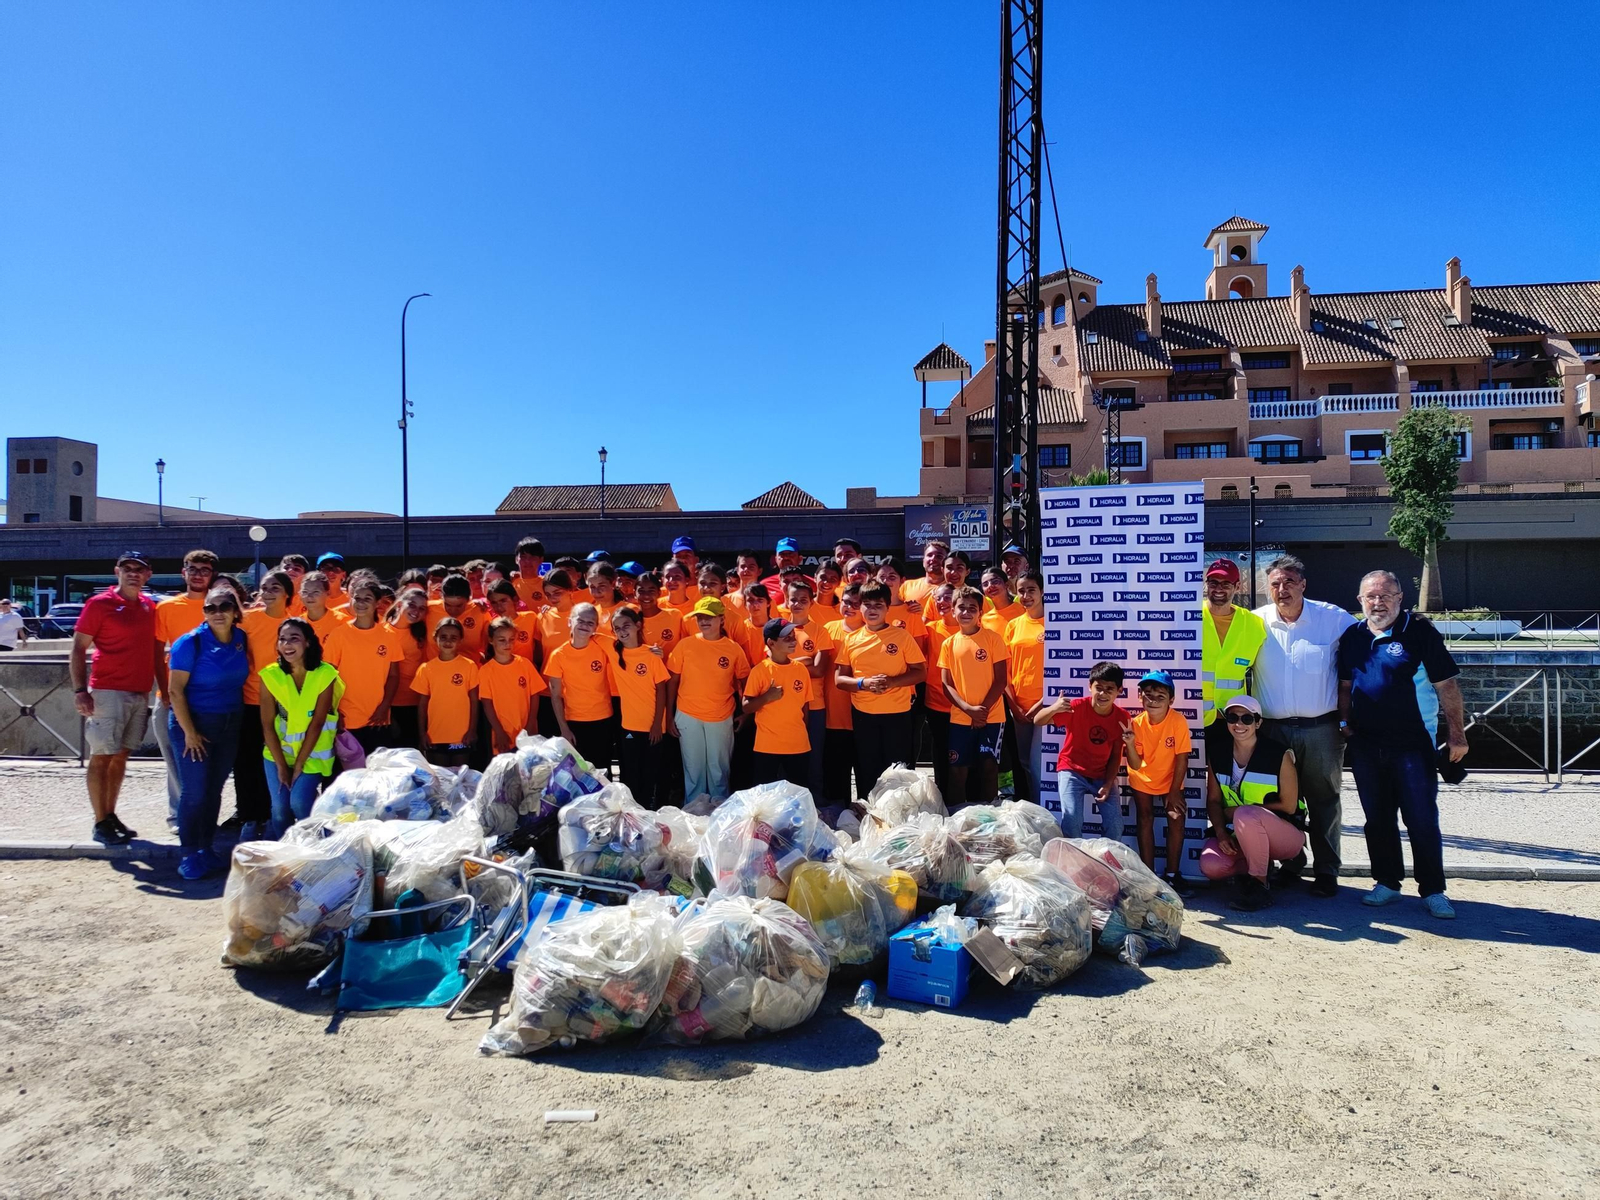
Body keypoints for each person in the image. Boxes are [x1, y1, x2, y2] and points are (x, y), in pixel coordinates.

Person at [1338, 570, 1467, 919]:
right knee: (1377, 819)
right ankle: (1387, 882)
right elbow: (1345, 686)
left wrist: (1457, 735)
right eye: (1370, 597)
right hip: (1366, 745)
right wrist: (1345, 725)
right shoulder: (1352, 636)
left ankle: (1433, 890)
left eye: (1385, 596)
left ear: (1399, 598)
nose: (1377, 603)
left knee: (1421, 819)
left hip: (1413, 745)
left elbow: (1447, 686)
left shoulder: (1420, 632)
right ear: (1360, 600)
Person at [1251, 554, 1357, 897]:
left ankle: (1326, 870)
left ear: (1303, 585)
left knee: (1324, 800)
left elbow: (1367, 646)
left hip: (1322, 730)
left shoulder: (1333, 619)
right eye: (1275, 584)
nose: (1282, 590)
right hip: (1271, 730)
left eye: (1289, 582)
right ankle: (1290, 864)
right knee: (1279, 801)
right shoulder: (1256, 622)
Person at [71, 551, 161, 847]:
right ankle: (100, 821)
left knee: (121, 755)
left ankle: (110, 815)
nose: (133, 573)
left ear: (147, 575)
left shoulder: (149, 606)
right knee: (102, 755)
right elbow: (78, 648)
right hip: (108, 691)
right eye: (127, 568)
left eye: (139, 569)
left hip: (139, 691)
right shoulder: (99, 604)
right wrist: (80, 690)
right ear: (117, 572)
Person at [165, 586, 250, 878]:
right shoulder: (190, 643)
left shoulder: (241, 638)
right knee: (195, 792)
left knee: (214, 790)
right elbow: (175, 692)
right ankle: (188, 854)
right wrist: (190, 732)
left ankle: (206, 848)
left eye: (224, 606)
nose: (217, 613)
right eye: (210, 608)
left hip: (230, 723)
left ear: (235, 611)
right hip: (194, 725)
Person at [1198, 695, 1305, 912]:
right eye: (1232, 718)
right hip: (1239, 833)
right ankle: (1259, 866)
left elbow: (1289, 806)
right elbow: (1214, 801)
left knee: (1246, 815)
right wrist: (1221, 833)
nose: (1239, 724)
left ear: (1258, 723)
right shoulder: (1217, 753)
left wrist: (1239, 811)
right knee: (1211, 865)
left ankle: (1259, 885)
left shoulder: (1279, 754)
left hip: (1285, 835)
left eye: (1247, 718)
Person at [834, 582, 926, 801]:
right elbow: (839, 679)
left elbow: (920, 672)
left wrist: (892, 682)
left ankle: (898, 811)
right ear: (860, 607)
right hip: (864, 714)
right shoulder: (851, 639)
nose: (872, 609)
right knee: (867, 768)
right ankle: (870, 812)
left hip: (898, 714)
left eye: (878, 605)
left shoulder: (902, 636)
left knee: (897, 770)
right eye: (867, 604)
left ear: (887, 608)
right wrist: (863, 683)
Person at [152, 548, 219, 833]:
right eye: (193, 569)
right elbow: (157, 652)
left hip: (212, 699)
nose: (198, 575)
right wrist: (164, 692)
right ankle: (178, 816)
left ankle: (206, 816)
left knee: (211, 761)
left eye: (205, 570)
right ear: (184, 573)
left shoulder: (222, 606)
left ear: (212, 575)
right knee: (175, 759)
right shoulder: (166, 608)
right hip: (173, 695)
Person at [259, 618, 344, 835]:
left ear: (307, 642)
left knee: (298, 802)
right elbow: (267, 725)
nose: (287, 644)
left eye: (294, 638)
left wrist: (298, 766)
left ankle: (317, 844)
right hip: (279, 752)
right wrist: (281, 766)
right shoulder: (270, 675)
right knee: (280, 810)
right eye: (282, 639)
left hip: (313, 752)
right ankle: (286, 850)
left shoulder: (325, 674)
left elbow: (317, 723)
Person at [666, 597, 751, 803]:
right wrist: (669, 716)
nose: (704, 621)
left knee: (719, 769)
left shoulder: (733, 648)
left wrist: (745, 714)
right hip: (687, 714)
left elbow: (745, 682)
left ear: (722, 619)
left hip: (721, 715)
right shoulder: (685, 645)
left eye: (709, 617)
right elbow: (672, 681)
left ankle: (719, 808)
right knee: (693, 768)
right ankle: (695, 810)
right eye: (700, 617)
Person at [1035, 661, 1131, 838]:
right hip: (1071, 771)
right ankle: (1072, 855)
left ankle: (1107, 856)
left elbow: (1116, 755)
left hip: (1102, 775)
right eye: (1098, 688)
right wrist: (1054, 708)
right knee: (1072, 820)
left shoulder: (1122, 717)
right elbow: (1038, 721)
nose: (1103, 694)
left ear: (1119, 691)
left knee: (1116, 825)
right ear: (1090, 687)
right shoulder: (1076, 707)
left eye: (1109, 689)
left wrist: (1108, 784)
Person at [1124, 670, 1195, 896]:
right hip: (1142, 777)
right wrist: (1130, 744)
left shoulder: (1178, 720)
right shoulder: (1136, 723)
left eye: (1160, 696)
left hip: (1170, 779)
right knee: (1145, 818)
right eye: (1148, 695)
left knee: (1176, 817)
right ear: (1140, 697)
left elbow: (1182, 758)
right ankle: (1149, 875)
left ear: (1171, 700)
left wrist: (1174, 792)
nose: (1153, 700)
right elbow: (1136, 765)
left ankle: (1172, 875)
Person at [939, 586, 1010, 808]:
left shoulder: (993, 639)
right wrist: (968, 710)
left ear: (980, 612)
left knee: (989, 768)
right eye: (961, 607)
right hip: (961, 718)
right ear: (953, 610)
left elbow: (1001, 680)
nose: (966, 612)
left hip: (992, 717)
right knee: (957, 770)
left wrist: (982, 711)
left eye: (972, 608)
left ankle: (990, 818)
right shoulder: (949, 644)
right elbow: (946, 684)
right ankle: (956, 817)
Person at [323, 574, 403, 756]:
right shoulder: (339, 634)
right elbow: (327, 676)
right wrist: (334, 711)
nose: (360, 603)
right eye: (357, 598)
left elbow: (393, 676)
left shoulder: (389, 636)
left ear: (377, 603)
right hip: (347, 719)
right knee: (350, 771)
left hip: (378, 718)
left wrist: (384, 707)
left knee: (377, 769)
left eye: (367, 598)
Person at [609, 606, 671, 805]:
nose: (622, 631)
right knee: (631, 774)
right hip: (629, 726)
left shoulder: (651, 654)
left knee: (651, 773)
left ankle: (649, 813)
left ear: (638, 625)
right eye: (617, 628)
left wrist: (657, 724)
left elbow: (661, 690)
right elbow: (588, 632)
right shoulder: (612, 650)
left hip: (653, 727)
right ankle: (633, 812)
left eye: (626, 625)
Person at [544, 602, 616, 773]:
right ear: (570, 621)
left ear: (596, 627)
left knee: (602, 771)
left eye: (590, 622)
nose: (585, 625)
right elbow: (555, 696)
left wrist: (651, 652)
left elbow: (629, 649)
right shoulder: (558, 655)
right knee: (579, 773)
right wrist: (564, 728)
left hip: (604, 717)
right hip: (575, 721)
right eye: (580, 620)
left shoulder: (603, 646)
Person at [1201, 558, 1267, 735]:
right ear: (1206, 584)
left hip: (1233, 720)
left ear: (1237, 586)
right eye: (1213, 583)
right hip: (1193, 717)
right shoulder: (1188, 618)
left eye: (1226, 584)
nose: (1219, 589)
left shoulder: (1254, 625)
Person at [744, 619, 813, 787]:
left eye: (793, 636)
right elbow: (746, 707)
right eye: (786, 638)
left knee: (798, 793)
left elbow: (805, 706)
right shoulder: (760, 670)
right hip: (767, 746)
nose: (793, 641)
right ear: (771, 643)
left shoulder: (801, 669)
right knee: (765, 795)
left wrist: (801, 733)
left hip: (798, 745)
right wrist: (766, 697)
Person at [783, 579, 834, 801]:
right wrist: (805, 662)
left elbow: (820, 670)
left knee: (814, 757)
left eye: (803, 600)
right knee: (785, 757)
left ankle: (816, 804)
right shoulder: (778, 629)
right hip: (783, 705)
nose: (797, 604)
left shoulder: (820, 631)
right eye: (793, 599)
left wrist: (790, 665)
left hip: (814, 704)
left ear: (811, 602)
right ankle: (787, 804)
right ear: (786, 601)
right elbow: (772, 666)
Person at [411, 618, 480, 769]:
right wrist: (422, 733)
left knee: (460, 777)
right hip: (435, 735)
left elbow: (474, 701)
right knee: (440, 777)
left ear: (460, 641)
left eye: (453, 638)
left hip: (461, 735)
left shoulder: (469, 666)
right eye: (443, 637)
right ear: (435, 638)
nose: (448, 641)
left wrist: (472, 730)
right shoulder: (426, 668)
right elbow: (422, 704)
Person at [1003, 571, 1047, 803]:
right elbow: (1006, 671)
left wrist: (1042, 703)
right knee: (1023, 763)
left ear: (1042, 591)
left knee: (1039, 764)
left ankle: (1043, 810)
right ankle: (1029, 810)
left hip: (1046, 707)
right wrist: (1015, 706)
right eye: (1021, 591)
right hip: (1019, 707)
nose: (1026, 596)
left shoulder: (1054, 623)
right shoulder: (1013, 626)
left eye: (1031, 590)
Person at [478, 617, 547, 754]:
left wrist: (531, 725)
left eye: (511, 639)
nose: (507, 643)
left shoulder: (525, 664)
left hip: (527, 731)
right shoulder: (485, 671)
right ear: (491, 640)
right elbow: (487, 704)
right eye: (502, 640)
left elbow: (535, 695)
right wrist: (499, 732)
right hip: (504, 735)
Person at [822, 586, 864, 805]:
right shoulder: (828, 629)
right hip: (834, 714)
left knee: (866, 775)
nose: (849, 607)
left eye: (856, 603)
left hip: (865, 714)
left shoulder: (872, 632)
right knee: (836, 776)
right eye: (846, 601)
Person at [921, 582, 959, 799]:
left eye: (948, 598)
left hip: (965, 704)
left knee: (964, 755)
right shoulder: (929, 629)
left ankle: (965, 799)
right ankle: (942, 799)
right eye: (939, 598)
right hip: (936, 701)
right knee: (941, 752)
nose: (942, 602)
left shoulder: (972, 627)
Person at [385, 586, 430, 749]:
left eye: (422, 608)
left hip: (417, 702)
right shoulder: (382, 632)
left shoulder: (422, 632)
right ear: (399, 604)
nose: (416, 611)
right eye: (411, 605)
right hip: (390, 704)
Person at [428, 573, 488, 661]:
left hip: (471, 668)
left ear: (469, 599)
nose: (453, 610)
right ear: (442, 597)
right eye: (448, 605)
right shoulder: (429, 610)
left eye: (459, 606)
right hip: (434, 668)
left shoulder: (480, 611)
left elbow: (489, 644)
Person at [484, 578, 540, 661]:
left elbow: (539, 648)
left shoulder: (530, 617)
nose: (499, 606)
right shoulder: (492, 625)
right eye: (494, 602)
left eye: (503, 601)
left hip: (526, 668)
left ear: (515, 599)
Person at [299, 571, 347, 647]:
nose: (310, 596)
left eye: (316, 592)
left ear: (327, 593)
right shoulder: (298, 623)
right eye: (305, 592)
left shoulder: (342, 621)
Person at [901, 539, 947, 608]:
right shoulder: (906, 586)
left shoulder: (953, 589)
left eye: (939, 556)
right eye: (929, 555)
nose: (933, 559)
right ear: (923, 561)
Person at [979, 566, 1022, 636]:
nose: (990, 586)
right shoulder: (984, 620)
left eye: (995, 581)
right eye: (985, 584)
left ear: (1006, 584)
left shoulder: (1024, 611)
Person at [511, 537, 547, 610]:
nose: (527, 561)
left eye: (532, 557)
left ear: (541, 559)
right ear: (516, 559)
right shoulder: (510, 583)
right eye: (523, 557)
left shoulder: (548, 584)